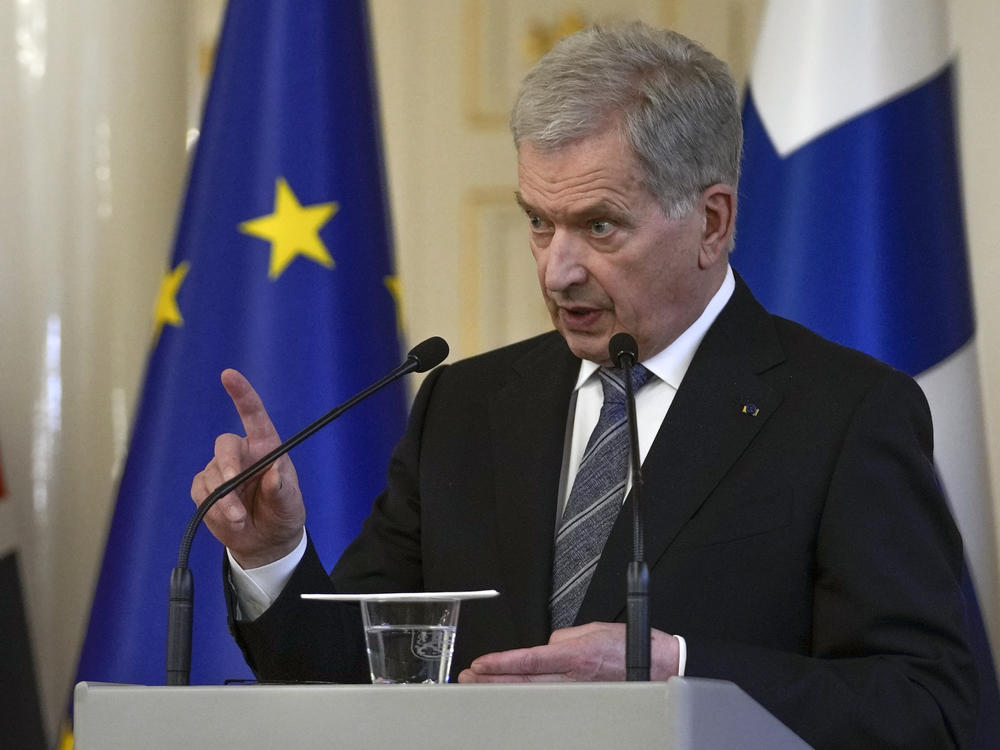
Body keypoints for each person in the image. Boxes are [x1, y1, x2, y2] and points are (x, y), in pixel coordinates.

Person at [191, 22, 978, 748]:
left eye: (599, 226)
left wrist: (674, 666)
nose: (555, 268)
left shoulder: (842, 414)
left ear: (711, 222)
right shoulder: (463, 409)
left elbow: (930, 706)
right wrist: (273, 556)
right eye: (539, 220)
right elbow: (355, 677)